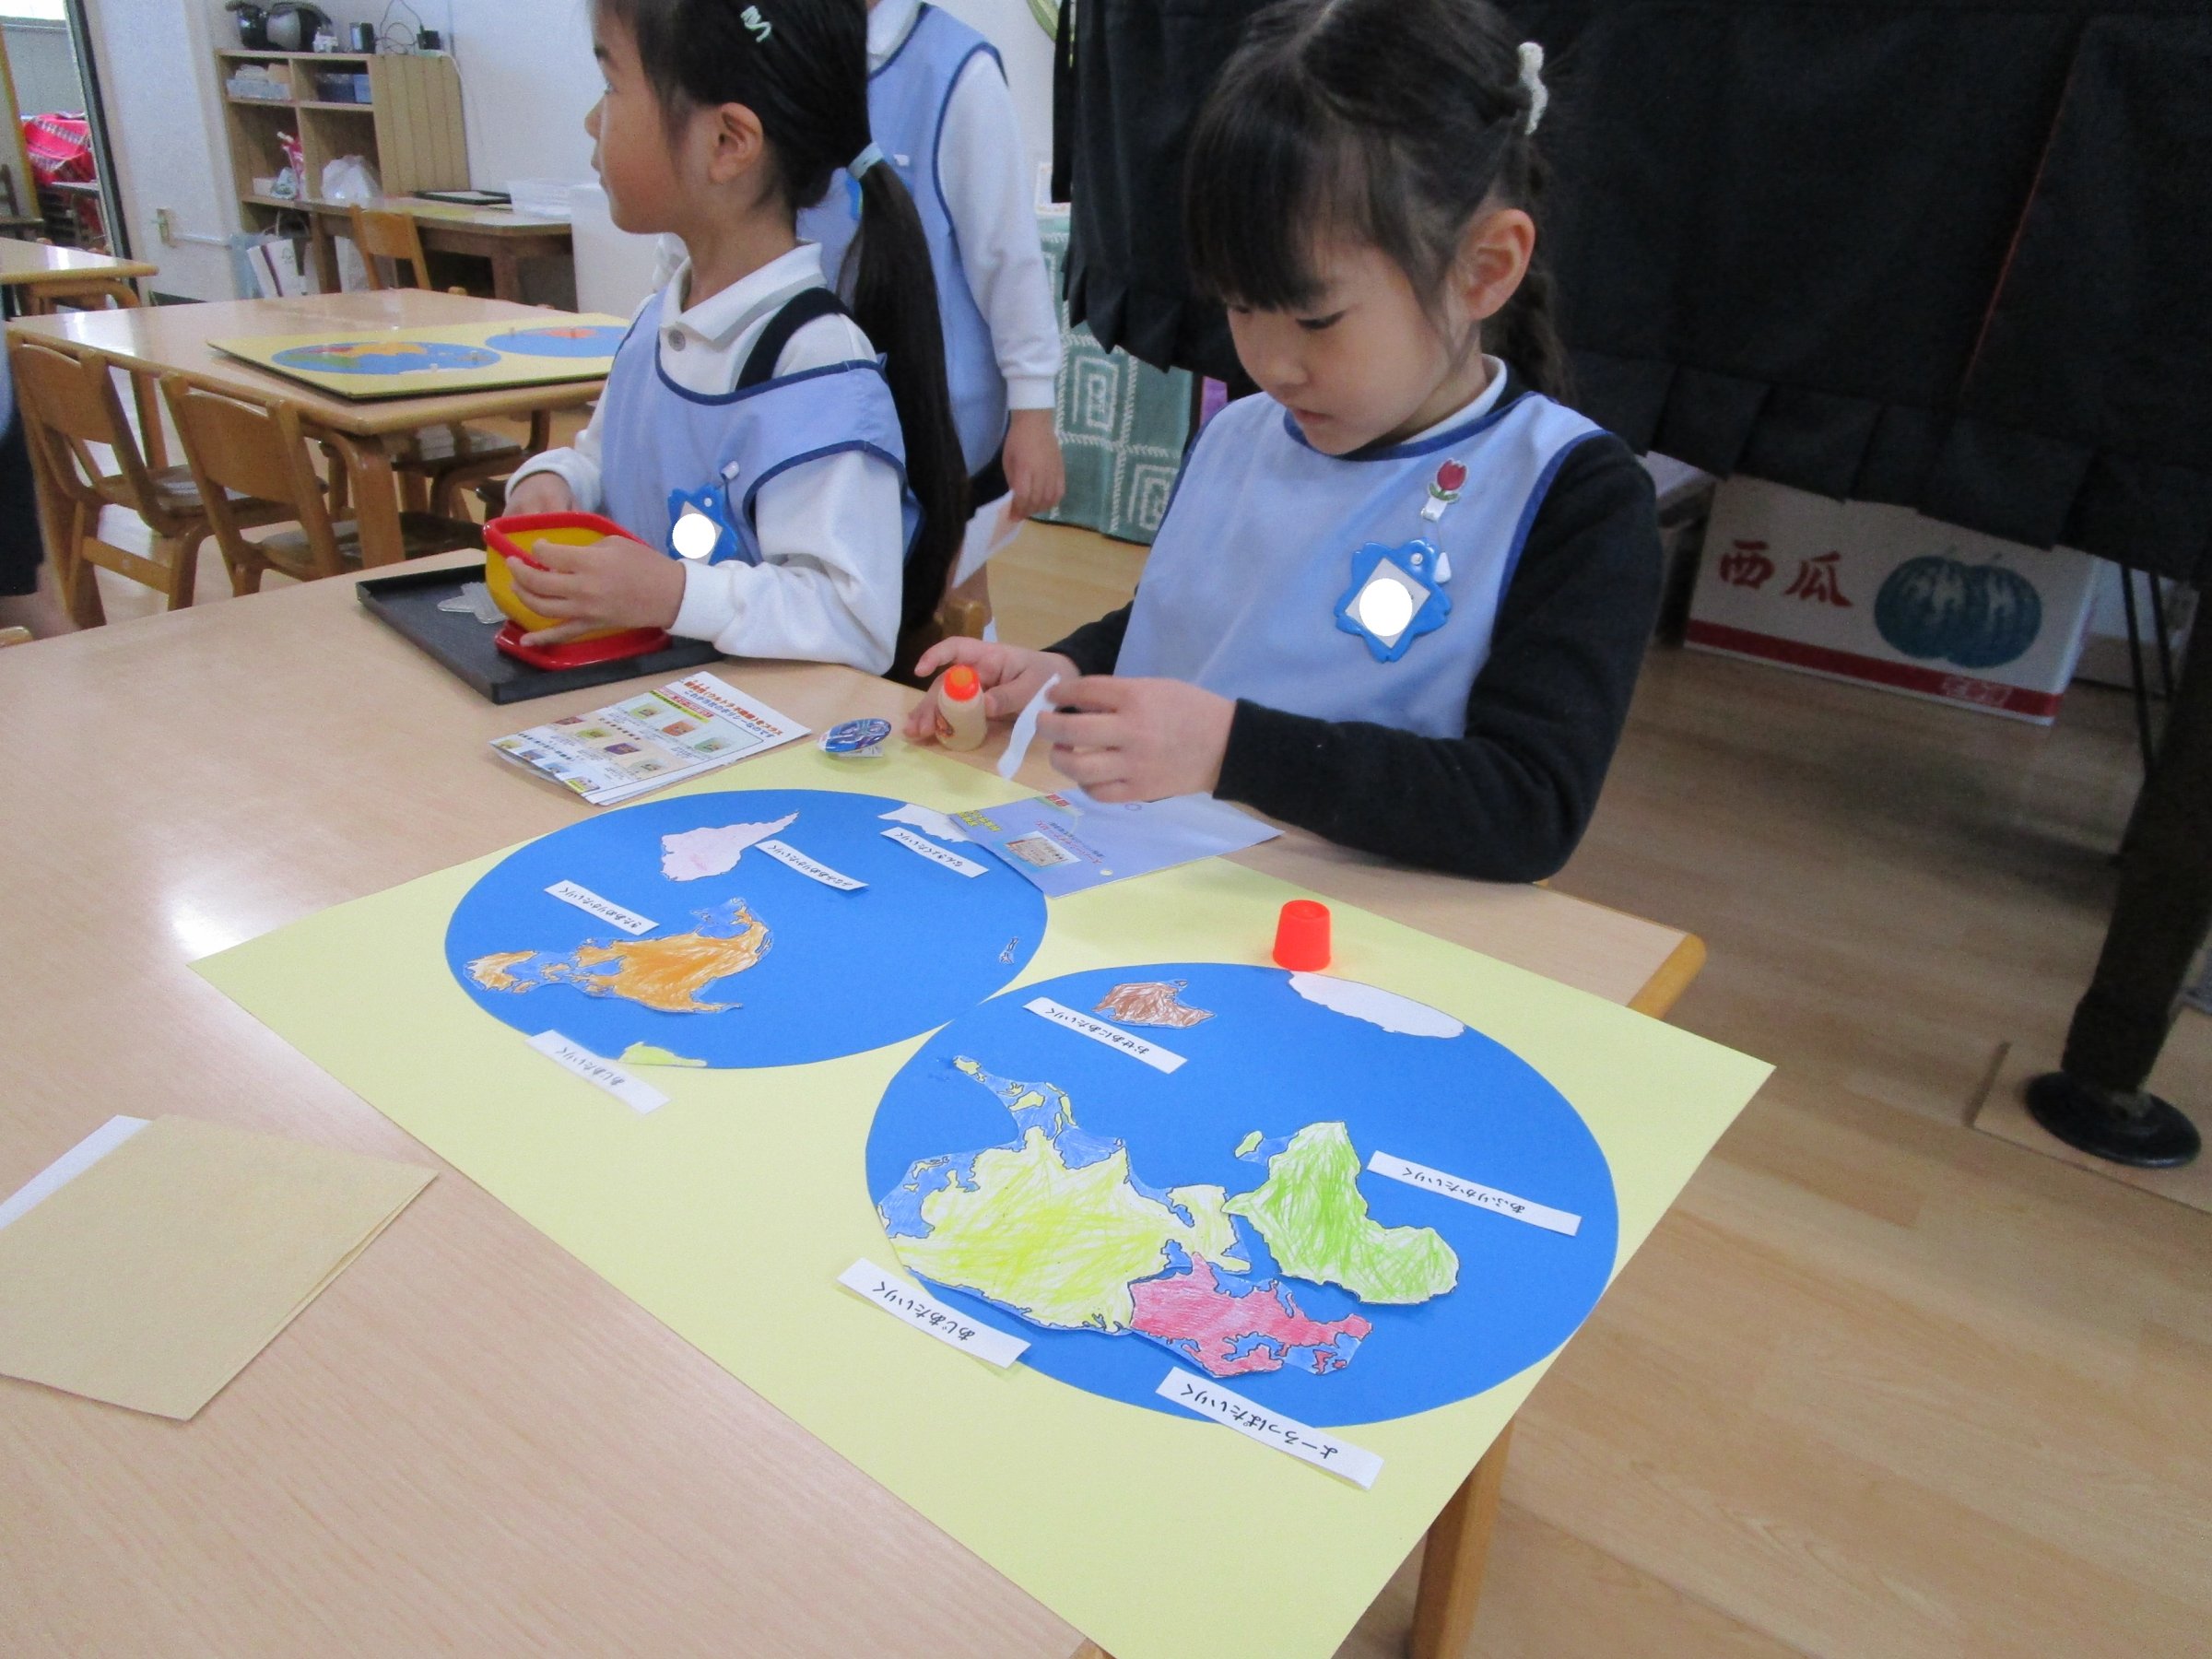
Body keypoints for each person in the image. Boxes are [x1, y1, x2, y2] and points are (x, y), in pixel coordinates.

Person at [905, 0, 1660, 881]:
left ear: (1483, 271)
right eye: (1240, 306)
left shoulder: (1573, 495)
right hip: (1153, 881)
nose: (1271, 364)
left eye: (1316, 319)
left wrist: (1231, 750)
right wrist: (1064, 670)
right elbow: (1191, 626)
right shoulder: (1240, 433)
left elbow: (1526, 807)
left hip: (1369, 927)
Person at [502, 0, 967, 677]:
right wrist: (557, 482)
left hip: (763, 730)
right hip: (634, 709)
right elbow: (606, 465)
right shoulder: (659, 319)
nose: (592, 121)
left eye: (611, 85)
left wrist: (672, 594)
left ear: (727, 142)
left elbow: (851, 621)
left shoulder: (814, 362)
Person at [798, 0, 1065, 529]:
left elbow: (1009, 257)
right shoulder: (776, 43)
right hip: (813, 406)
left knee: (948, 571)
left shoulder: (957, 70)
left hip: (940, 418)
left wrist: (1033, 410)